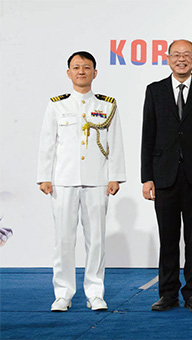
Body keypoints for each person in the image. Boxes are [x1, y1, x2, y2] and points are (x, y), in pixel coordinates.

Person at [37, 51, 126, 312]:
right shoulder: (57, 105)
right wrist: (44, 177)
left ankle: (95, 292)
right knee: (63, 239)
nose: (81, 72)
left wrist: (115, 176)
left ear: (95, 73)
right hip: (63, 180)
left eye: (86, 67)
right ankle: (63, 293)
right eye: (76, 67)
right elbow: (47, 143)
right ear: (68, 73)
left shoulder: (107, 105)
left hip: (97, 180)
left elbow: (116, 143)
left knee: (96, 239)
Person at [141, 39, 192, 312]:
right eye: (176, 55)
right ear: (168, 58)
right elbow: (147, 136)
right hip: (164, 176)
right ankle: (167, 294)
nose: (181, 59)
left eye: (187, 55)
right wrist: (146, 177)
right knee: (168, 239)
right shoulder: (154, 91)